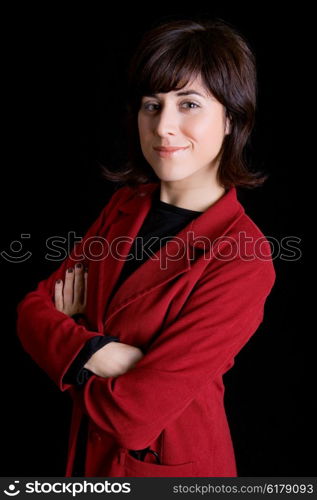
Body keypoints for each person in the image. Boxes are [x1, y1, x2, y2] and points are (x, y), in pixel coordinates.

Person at [16, 17, 276, 477]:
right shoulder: (124, 206)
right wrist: (97, 351)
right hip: (86, 465)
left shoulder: (244, 256)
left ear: (233, 119)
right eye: (151, 105)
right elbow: (32, 313)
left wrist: (69, 347)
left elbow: (132, 418)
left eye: (189, 103)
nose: (164, 126)